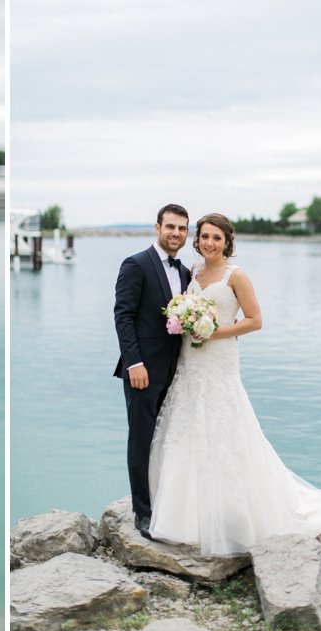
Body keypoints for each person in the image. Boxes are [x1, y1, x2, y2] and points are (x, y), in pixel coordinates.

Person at [147, 213, 321, 555]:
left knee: (224, 427)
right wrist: (185, 319)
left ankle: (232, 516)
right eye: (204, 236)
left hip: (219, 359)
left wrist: (214, 332)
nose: (209, 243)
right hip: (191, 360)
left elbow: (255, 320)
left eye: (216, 237)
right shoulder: (193, 273)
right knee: (188, 426)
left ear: (227, 241)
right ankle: (185, 514)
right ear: (197, 240)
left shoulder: (237, 275)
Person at [113, 203, 192, 539]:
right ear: (157, 228)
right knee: (142, 439)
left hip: (177, 371)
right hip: (142, 370)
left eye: (182, 229)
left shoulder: (187, 273)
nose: (176, 233)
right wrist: (134, 362)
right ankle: (142, 513)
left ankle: (165, 502)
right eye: (170, 227)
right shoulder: (136, 264)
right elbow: (123, 315)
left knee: (166, 439)